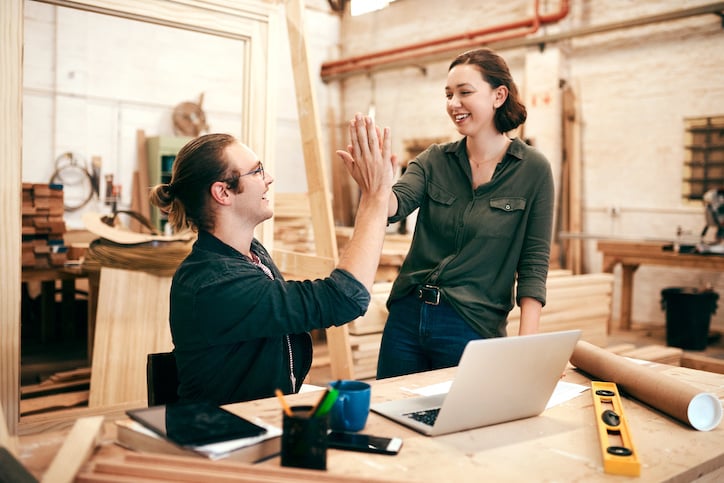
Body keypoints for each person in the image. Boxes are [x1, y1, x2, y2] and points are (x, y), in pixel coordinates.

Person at [149, 114, 394, 405]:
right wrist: (374, 199)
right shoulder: (214, 282)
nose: (268, 178)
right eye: (257, 171)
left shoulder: (250, 253)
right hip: (224, 432)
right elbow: (345, 299)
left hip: (264, 413)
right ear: (223, 192)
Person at [375, 47, 555, 379]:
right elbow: (394, 207)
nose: (453, 103)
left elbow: (533, 263)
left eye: (464, 92)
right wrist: (377, 184)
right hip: (407, 317)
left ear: (499, 95)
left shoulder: (533, 170)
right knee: (390, 416)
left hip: (471, 324)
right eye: (448, 94)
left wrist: (527, 348)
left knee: (461, 427)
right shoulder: (433, 160)